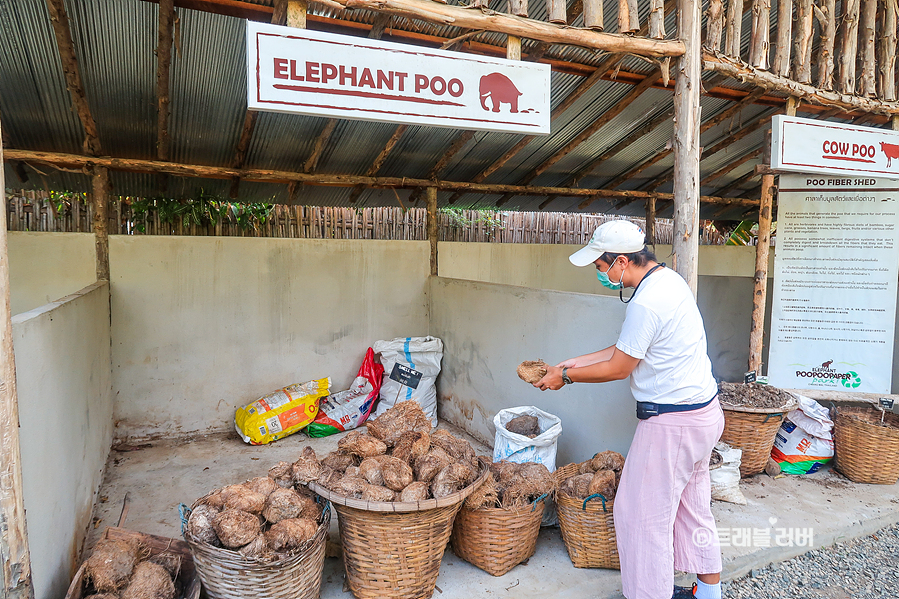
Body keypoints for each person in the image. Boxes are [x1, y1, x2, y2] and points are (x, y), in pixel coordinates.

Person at [534, 220, 724, 599]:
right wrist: (571, 363)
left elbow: (621, 367)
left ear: (622, 260)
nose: (601, 274)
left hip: (672, 425)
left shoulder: (647, 301)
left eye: (601, 267)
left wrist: (566, 379)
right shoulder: (667, 281)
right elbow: (627, 347)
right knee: (692, 506)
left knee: (640, 517)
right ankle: (708, 592)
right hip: (703, 414)